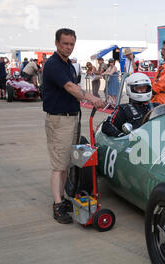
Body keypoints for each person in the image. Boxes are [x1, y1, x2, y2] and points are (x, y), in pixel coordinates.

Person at [43, 28, 105, 224]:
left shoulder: (68, 64)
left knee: (66, 164)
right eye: (65, 44)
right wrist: (91, 97)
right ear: (57, 43)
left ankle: (62, 199)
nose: (68, 47)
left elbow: (73, 86)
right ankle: (57, 204)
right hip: (59, 120)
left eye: (71, 44)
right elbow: (70, 87)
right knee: (58, 166)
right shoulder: (54, 64)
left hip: (71, 118)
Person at [101, 72, 152, 137]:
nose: (142, 90)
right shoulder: (124, 109)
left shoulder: (156, 106)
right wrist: (122, 135)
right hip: (135, 144)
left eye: (144, 88)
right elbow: (106, 126)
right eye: (139, 88)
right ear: (130, 89)